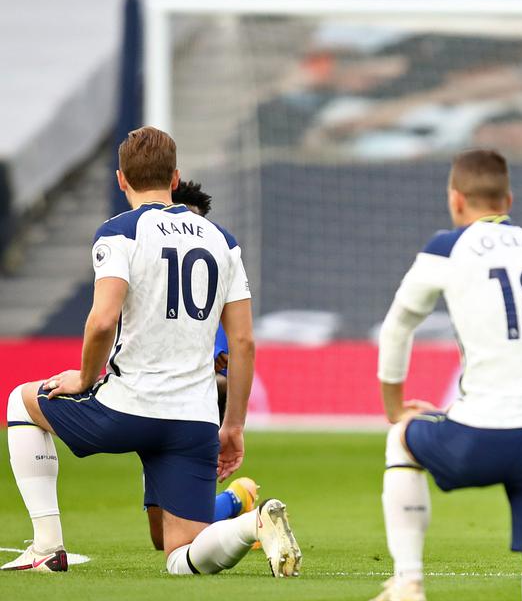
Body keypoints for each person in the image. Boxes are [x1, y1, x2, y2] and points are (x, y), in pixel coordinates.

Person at [3, 126, 300, 576]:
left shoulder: (119, 232)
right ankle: (251, 526)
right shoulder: (222, 240)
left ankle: (47, 547)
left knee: (21, 402)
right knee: (180, 556)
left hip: (127, 408)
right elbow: (243, 342)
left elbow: (103, 319)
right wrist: (233, 424)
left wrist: (84, 378)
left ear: (121, 179)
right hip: (193, 419)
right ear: (175, 177)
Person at [370, 149, 522, 601]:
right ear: (509, 199)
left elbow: (398, 325)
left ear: (456, 200)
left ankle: (408, 584)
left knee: (401, 440)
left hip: (484, 430)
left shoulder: (449, 244)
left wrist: (395, 407)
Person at [140, 179, 262, 551]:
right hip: (149, 405)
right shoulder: (147, 285)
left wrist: (224, 411)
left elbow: (234, 362)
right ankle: (239, 507)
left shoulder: (216, 286)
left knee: (182, 536)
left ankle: (244, 517)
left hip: (193, 414)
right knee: (161, 537)